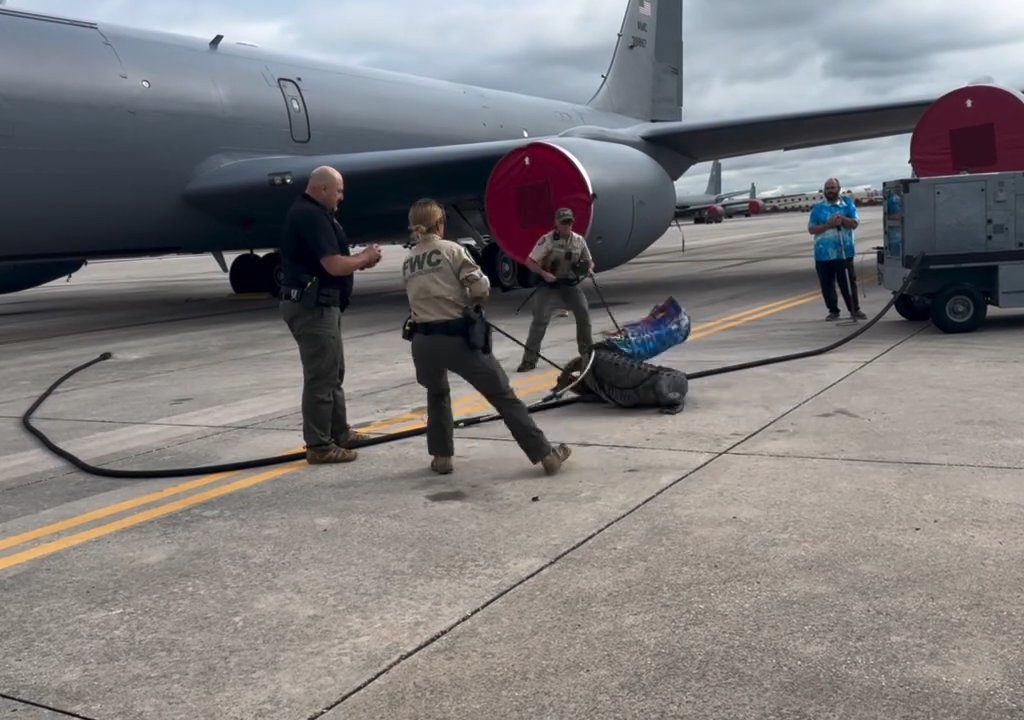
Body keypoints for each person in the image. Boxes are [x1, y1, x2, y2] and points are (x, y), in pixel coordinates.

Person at [401, 198, 571, 476]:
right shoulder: (452, 250)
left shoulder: (409, 261)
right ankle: (546, 455)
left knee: (437, 393)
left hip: (423, 343)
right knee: (503, 396)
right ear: (440, 224)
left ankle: (442, 457)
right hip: (457, 337)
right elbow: (480, 286)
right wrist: (474, 303)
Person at [279, 166, 383, 464]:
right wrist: (364, 257)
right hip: (313, 308)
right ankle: (319, 446)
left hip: (322, 304)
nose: (340, 198)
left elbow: (334, 264)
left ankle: (340, 432)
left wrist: (360, 262)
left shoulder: (314, 214)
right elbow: (333, 265)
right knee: (321, 377)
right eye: (338, 191)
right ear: (322, 189)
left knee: (333, 372)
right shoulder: (311, 215)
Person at [516, 207, 596, 372]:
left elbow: (589, 261)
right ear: (556, 223)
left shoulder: (579, 241)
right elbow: (530, 262)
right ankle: (529, 360)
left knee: (583, 314)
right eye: (563, 222)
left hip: (570, 285)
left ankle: (587, 354)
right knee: (539, 321)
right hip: (549, 286)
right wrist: (544, 274)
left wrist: (588, 269)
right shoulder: (547, 240)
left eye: (569, 222)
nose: (567, 225)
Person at [808, 178, 867, 321]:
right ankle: (833, 310)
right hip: (823, 254)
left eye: (832, 188)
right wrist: (828, 225)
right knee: (827, 284)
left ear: (838, 189)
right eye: (827, 188)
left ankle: (854, 309)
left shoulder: (847, 205)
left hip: (844, 251)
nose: (830, 191)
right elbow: (811, 229)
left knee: (847, 281)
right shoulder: (818, 208)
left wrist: (842, 219)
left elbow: (854, 223)